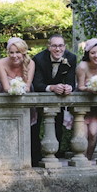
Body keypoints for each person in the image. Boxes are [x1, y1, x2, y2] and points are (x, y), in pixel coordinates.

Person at [32, 34, 77, 165]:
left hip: (58, 97)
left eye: (61, 46)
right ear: (49, 47)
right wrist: (51, 87)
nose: (58, 49)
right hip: (40, 95)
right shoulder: (39, 59)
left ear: (65, 47)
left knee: (58, 126)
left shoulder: (71, 58)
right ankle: (35, 159)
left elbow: (71, 81)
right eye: (55, 46)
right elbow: (37, 83)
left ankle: (54, 156)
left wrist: (69, 87)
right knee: (35, 126)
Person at [0, 37, 37, 125]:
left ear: (23, 52)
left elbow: (27, 87)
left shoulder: (30, 63)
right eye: (11, 52)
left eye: (17, 52)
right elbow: (6, 88)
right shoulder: (1, 63)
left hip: (25, 94)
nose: (14, 56)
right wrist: (15, 88)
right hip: (5, 93)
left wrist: (19, 88)